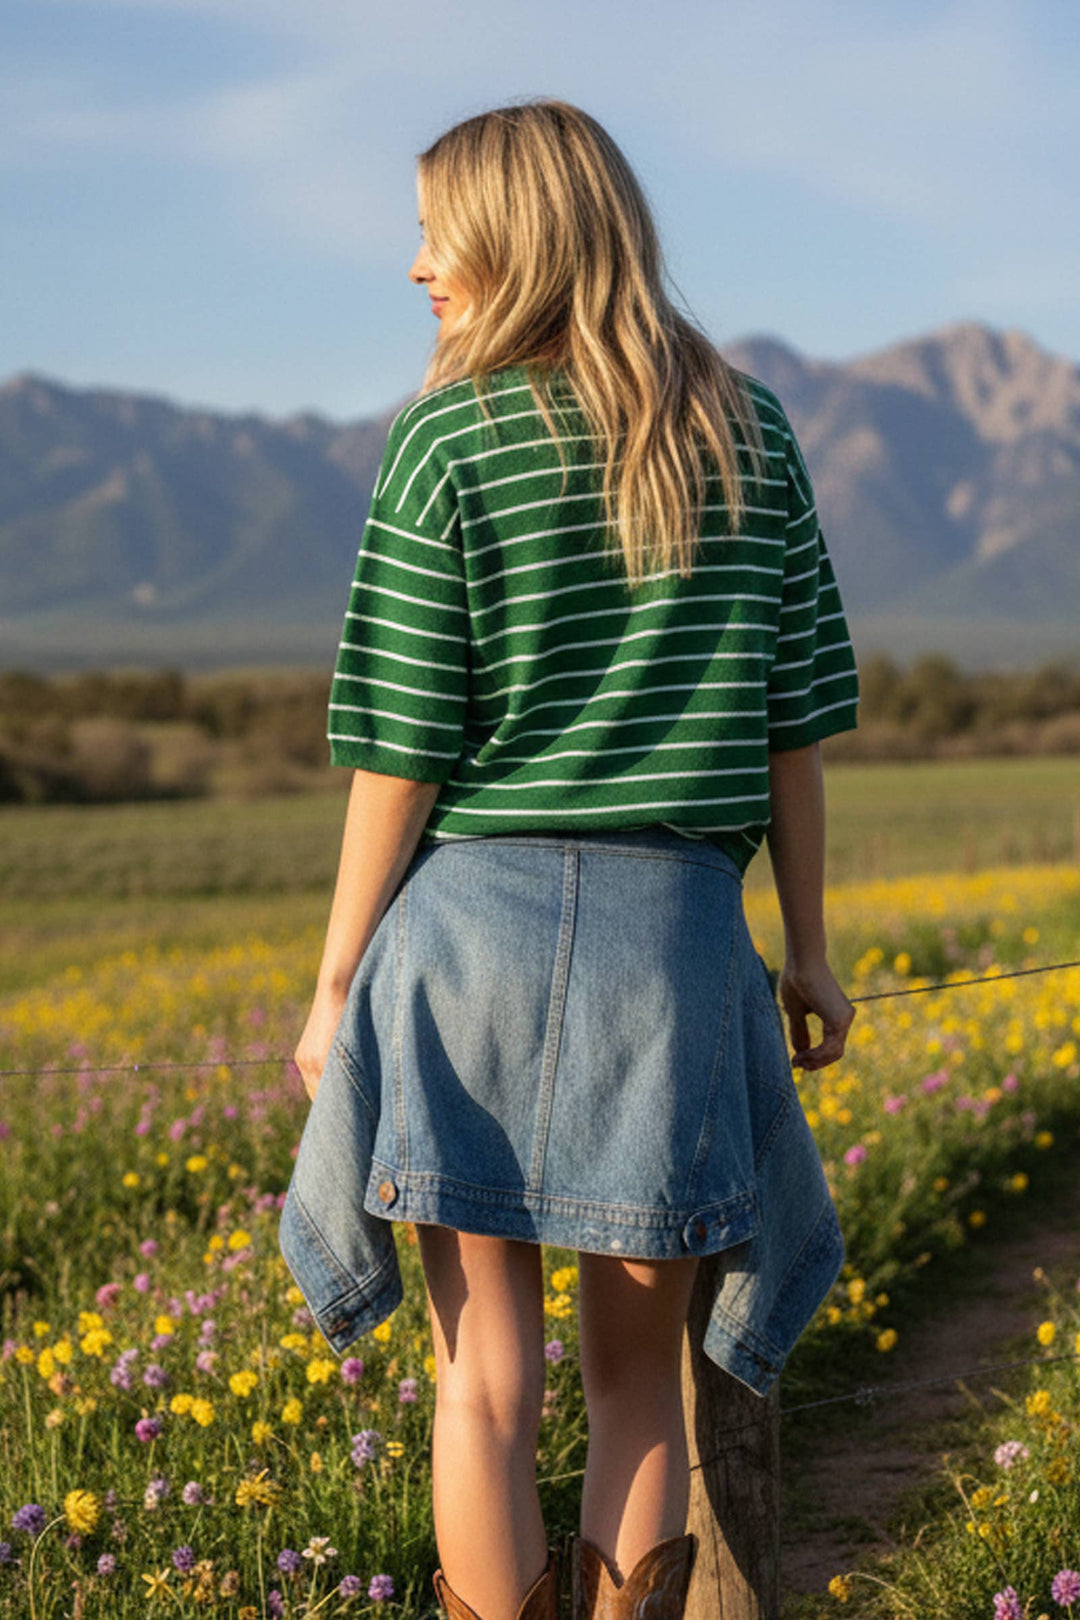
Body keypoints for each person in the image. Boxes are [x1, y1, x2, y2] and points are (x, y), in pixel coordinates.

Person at [287, 98, 859, 1620]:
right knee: (638, 1389)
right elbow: (795, 726)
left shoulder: (447, 438)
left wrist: (336, 982)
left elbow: (399, 746)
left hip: (462, 950)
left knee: (483, 1381)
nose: (418, 267)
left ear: (518, 236)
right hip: (670, 957)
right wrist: (808, 948)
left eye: (438, 235)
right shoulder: (750, 432)